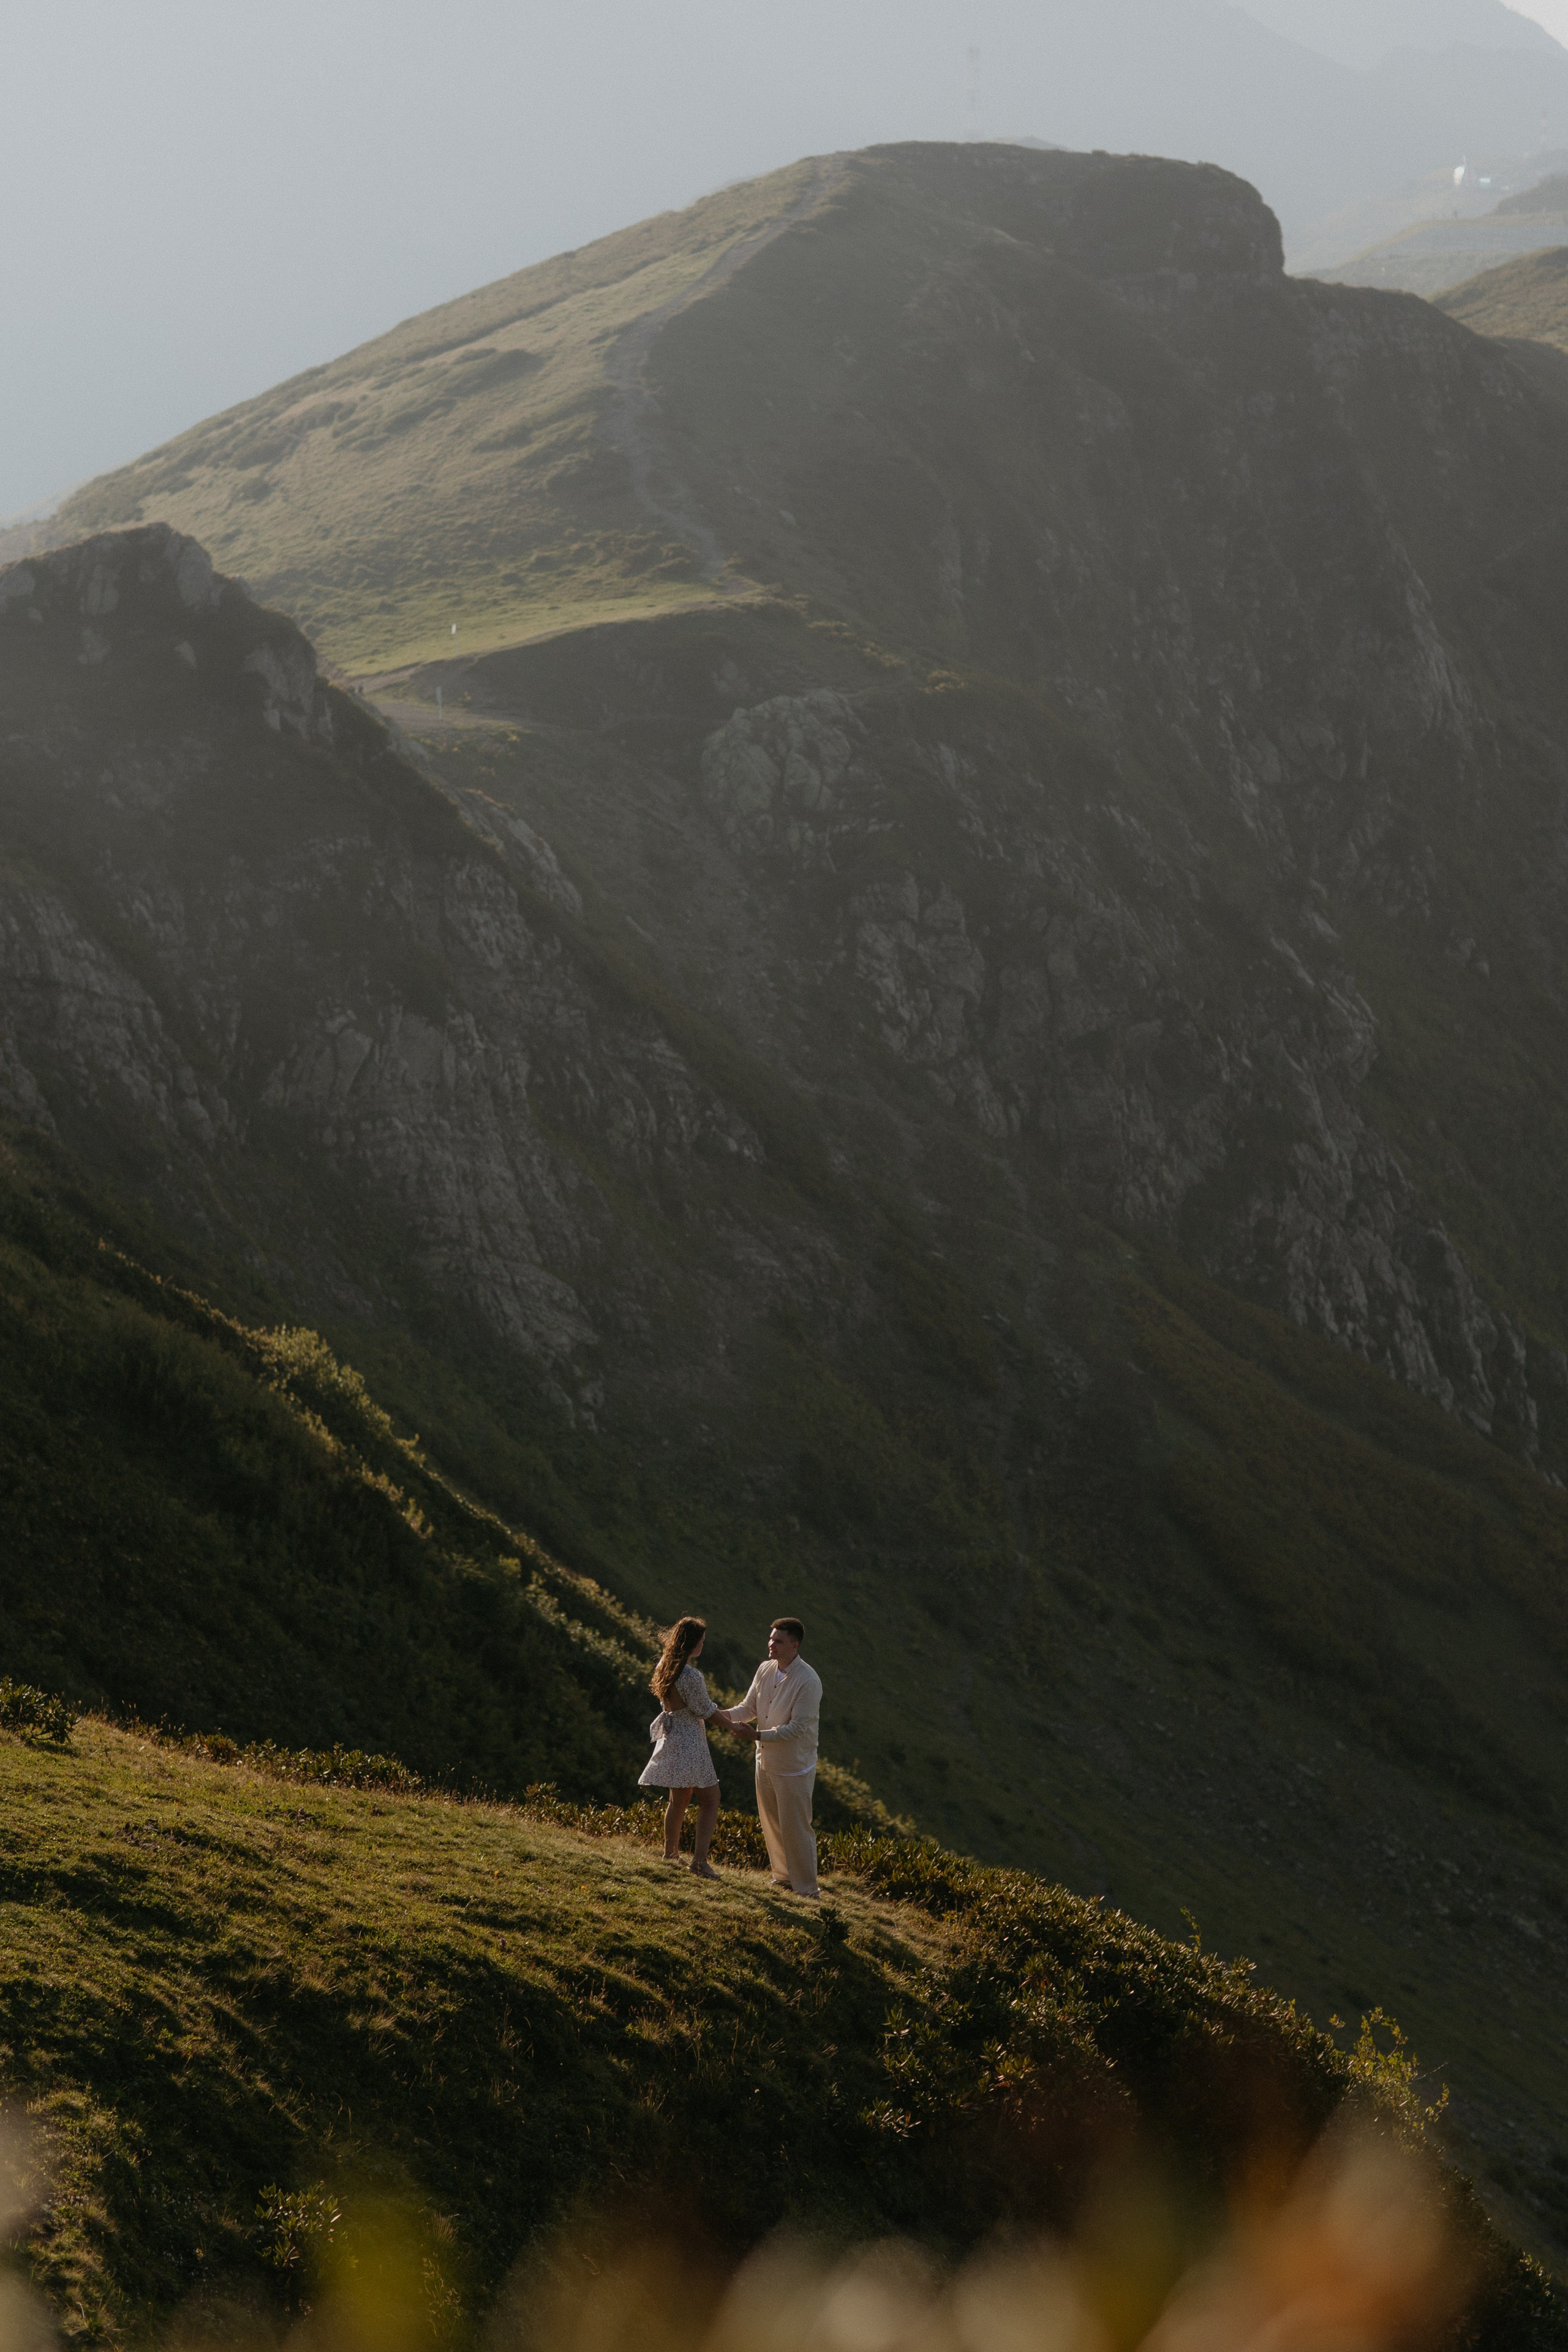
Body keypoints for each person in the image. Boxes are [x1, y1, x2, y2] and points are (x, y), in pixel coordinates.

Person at [713, 1617, 822, 1899]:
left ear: (794, 1646)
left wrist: (757, 1737)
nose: (771, 1645)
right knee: (771, 1822)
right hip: (765, 1762)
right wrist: (717, 1717)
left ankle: (808, 1890)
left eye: (779, 1641)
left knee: (797, 1827)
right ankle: (783, 1878)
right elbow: (748, 1708)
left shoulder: (809, 1681)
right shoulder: (765, 1669)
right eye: (771, 1639)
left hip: (794, 1767)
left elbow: (798, 1729)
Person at [639, 1615, 723, 1878]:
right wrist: (734, 1726)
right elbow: (704, 1710)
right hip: (690, 1739)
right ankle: (700, 1862)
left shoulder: (664, 1665)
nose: (703, 1645)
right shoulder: (691, 1675)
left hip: (671, 1734)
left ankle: (671, 1853)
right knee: (711, 1799)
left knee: (679, 1800)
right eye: (702, 1641)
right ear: (694, 1643)